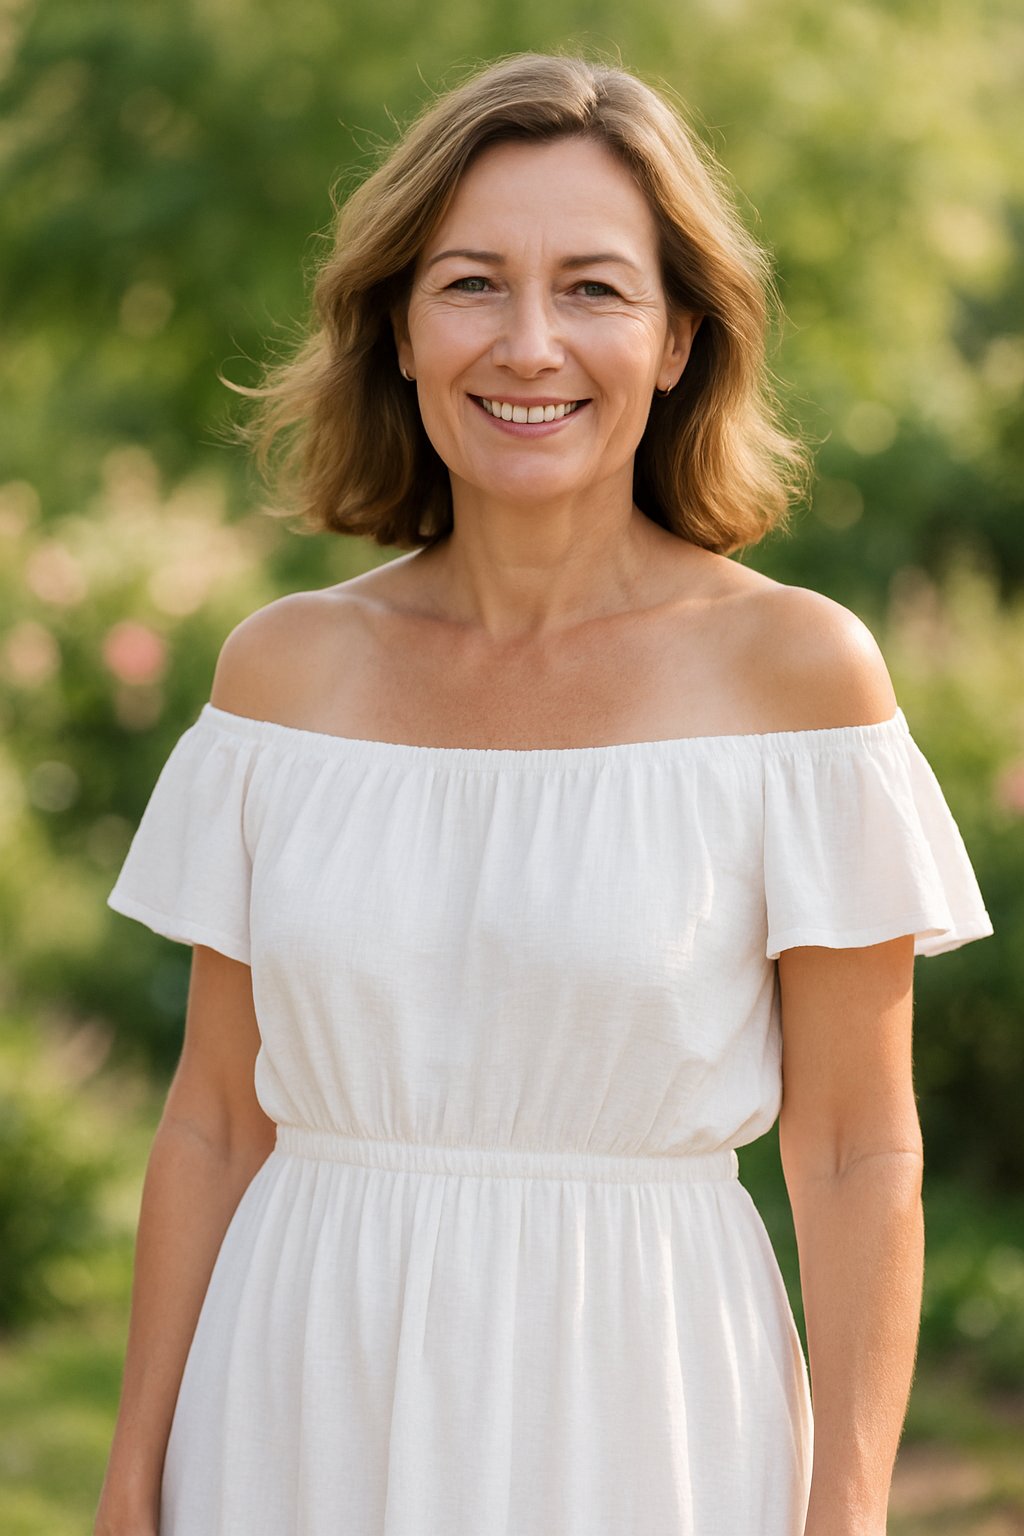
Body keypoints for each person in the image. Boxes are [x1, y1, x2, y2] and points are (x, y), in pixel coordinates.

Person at [94, 51, 993, 1536]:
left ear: (681, 338)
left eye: (591, 288)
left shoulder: (799, 676)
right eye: (470, 285)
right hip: (294, 1394)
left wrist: (848, 1509)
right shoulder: (284, 677)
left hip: (645, 1401)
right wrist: (132, 1486)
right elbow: (211, 1122)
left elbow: (856, 1149)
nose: (528, 344)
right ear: (397, 328)